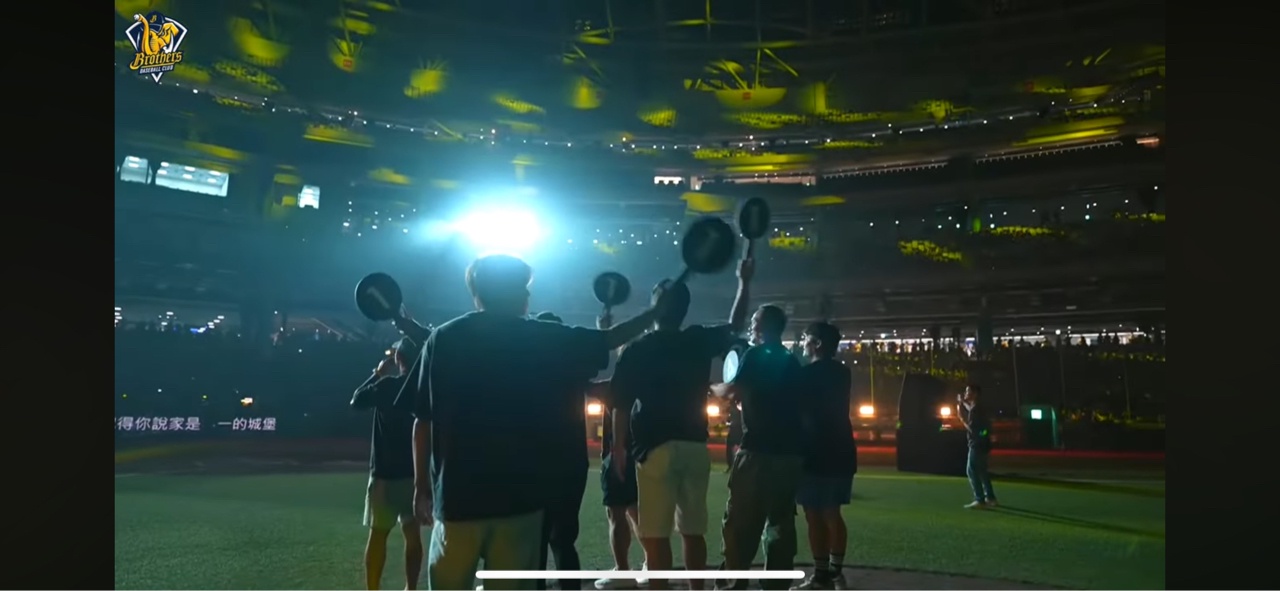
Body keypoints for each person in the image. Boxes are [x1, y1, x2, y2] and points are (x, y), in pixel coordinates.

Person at [396, 254, 671, 591]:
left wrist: (421, 486)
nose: (528, 295)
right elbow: (611, 339)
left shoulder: (443, 338)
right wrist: (655, 312)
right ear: (516, 293)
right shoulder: (541, 337)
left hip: (457, 500)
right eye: (524, 288)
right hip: (520, 502)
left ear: (477, 293)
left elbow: (422, 420)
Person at [608, 268, 751, 591]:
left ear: (654, 307)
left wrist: (618, 448)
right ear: (684, 309)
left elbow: (620, 404)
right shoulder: (697, 339)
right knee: (693, 531)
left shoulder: (638, 348)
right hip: (694, 445)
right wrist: (744, 281)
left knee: (655, 535)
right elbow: (736, 325)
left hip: (654, 447)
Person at [712, 304, 805, 591]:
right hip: (789, 455)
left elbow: (732, 391)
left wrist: (713, 387)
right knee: (780, 523)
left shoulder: (756, 355)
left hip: (757, 454)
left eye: (755, 321)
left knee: (740, 523)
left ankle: (733, 583)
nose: (751, 325)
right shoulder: (790, 360)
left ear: (764, 326)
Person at [351, 338, 425, 590]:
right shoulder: (423, 389)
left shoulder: (386, 386)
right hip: (414, 475)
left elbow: (356, 401)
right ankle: (411, 588)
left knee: (378, 535)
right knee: (413, 536)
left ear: (398, 359)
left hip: (384, 476)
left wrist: (377, 374)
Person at [530, 311, 593, 591]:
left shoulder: (530, 367)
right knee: (563, 539)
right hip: (573, 462)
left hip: (539, 463)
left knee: (537, 539)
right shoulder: (573, 365)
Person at [790, 322, 855, 591]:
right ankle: (832, 573)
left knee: (816, 514)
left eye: (806, 338)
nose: (803, 343)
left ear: (816, 343)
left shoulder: (806, 374)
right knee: (829, 513)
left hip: (814, 451)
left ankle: (824, 574)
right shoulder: (842, 372)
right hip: (840, 450)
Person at [589, 377, 646, 591]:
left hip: (618, 453)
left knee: (616, 513)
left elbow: (588, 386)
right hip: (641, 452)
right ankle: (651, 563)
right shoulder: (647, 382)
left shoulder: (617, 384)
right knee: (636, 511)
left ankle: (622, 570)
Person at [957, 384, 997, 509]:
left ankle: (980, 499)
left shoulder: (975, 410)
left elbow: (973, 429)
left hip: (977, 444)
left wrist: (961, 418)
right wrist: (963, 403)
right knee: (982, 471)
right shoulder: (979, 407)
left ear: (975, 394)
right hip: (984, 443)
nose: (965, 393)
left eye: (968, 391)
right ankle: (990, 498)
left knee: (972, 470)